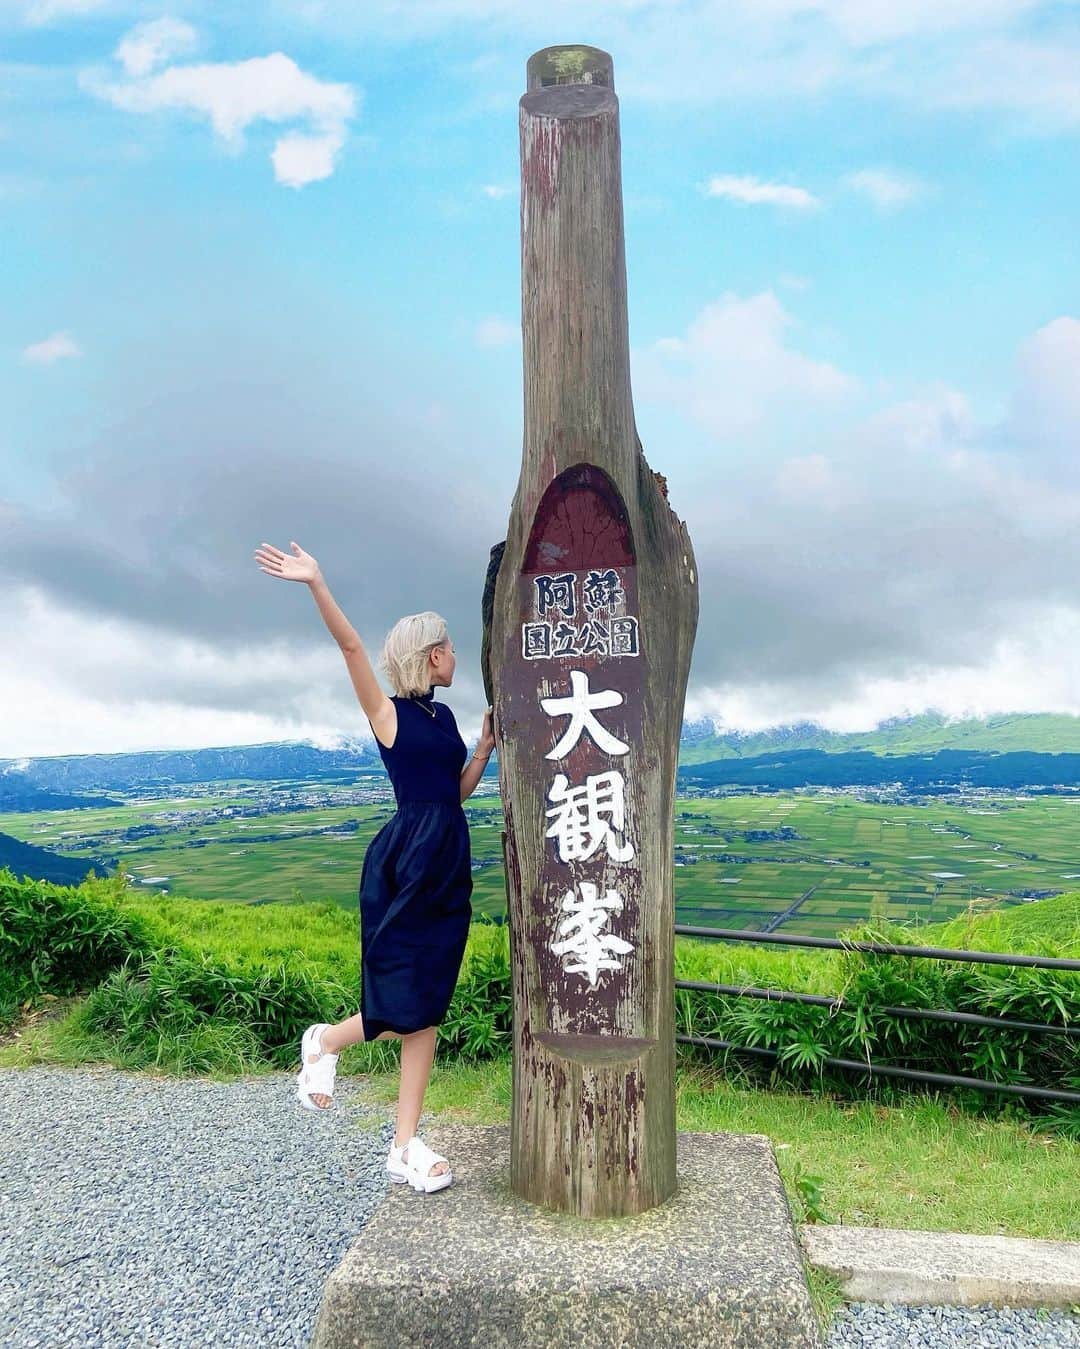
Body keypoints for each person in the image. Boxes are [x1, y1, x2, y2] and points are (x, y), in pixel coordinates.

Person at [253, 539, 495, 1194]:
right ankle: (325, 1042)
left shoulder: (443, 716)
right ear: (428, 653)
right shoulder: (387, 714)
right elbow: (353, 649)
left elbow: (455, 789)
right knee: (403, 999)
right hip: (410, 860)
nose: (453, 654)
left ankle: (403, 1143)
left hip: (448, 858)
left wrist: (484, 751)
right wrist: (316, 582)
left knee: (429, 1005)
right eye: (445, 646)